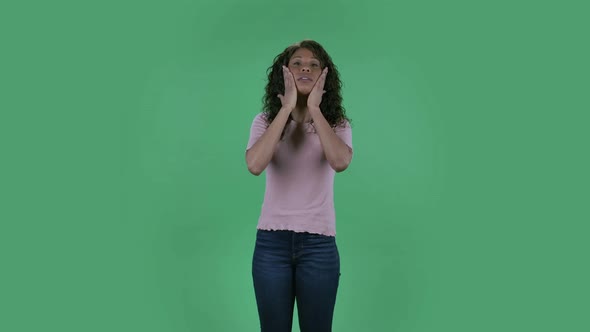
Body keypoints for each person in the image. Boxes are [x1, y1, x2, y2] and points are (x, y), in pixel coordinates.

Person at [245, 40, 353, 332]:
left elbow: (340, 161)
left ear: (324, 75)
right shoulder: (265, 121)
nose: (306, 66)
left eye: (314, 64)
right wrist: (287, 108)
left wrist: (315, 109)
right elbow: (255, 165)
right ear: (284, 73)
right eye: (297, 62)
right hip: (271, 245)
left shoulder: (338, 124)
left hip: (319, 246)